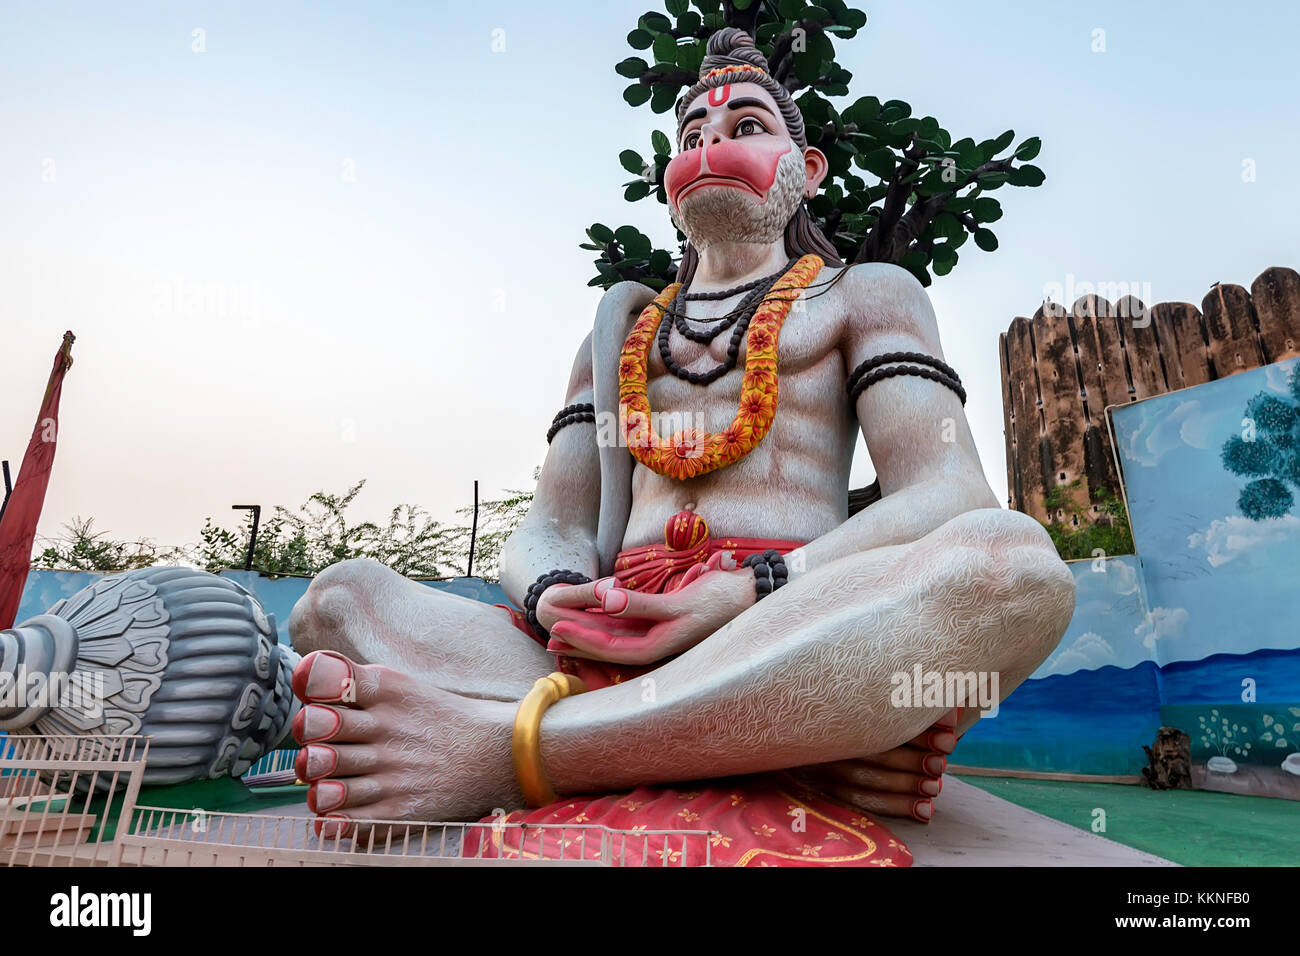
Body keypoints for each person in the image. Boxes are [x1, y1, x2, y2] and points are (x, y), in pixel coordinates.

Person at [287, 29, 1074, 866]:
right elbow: (548, 523)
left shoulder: (867, 294)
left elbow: (951, 491)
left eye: (744, 127)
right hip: (610, 633)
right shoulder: (617, 333)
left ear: (806, 173)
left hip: (782, 623)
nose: (711, 148)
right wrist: (557, 594)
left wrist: (745, 591)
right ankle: (795, 734)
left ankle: (516, 751)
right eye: (691, 138)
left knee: (1010, 566)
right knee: (338, 601)